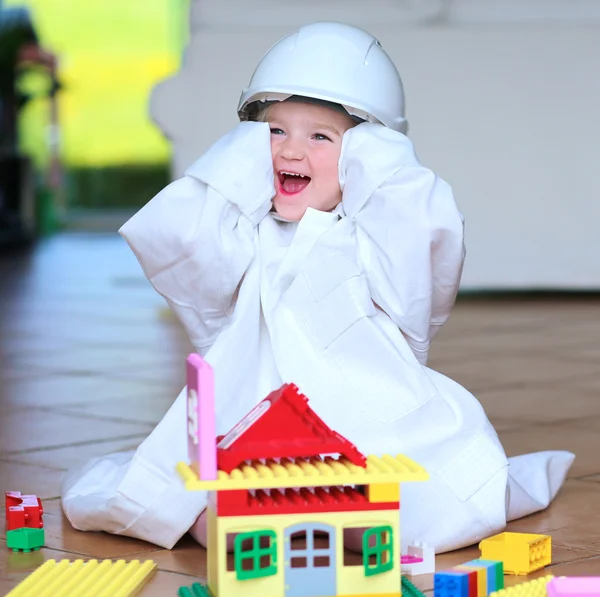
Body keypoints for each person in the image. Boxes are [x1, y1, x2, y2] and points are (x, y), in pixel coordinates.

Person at [61, 21, 573, 554]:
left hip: (361, 422)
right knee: (200, 509)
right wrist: (241, 162)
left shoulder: (370, 237)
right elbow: (179, 240)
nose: (290, 151)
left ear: (365, 152)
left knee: (415, 507)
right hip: (259, 422)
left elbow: (426, 242)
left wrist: (375, 153)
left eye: (321, 137)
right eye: (274, 131)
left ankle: (322, 522)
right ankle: (280, 522)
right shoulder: (244, 232)